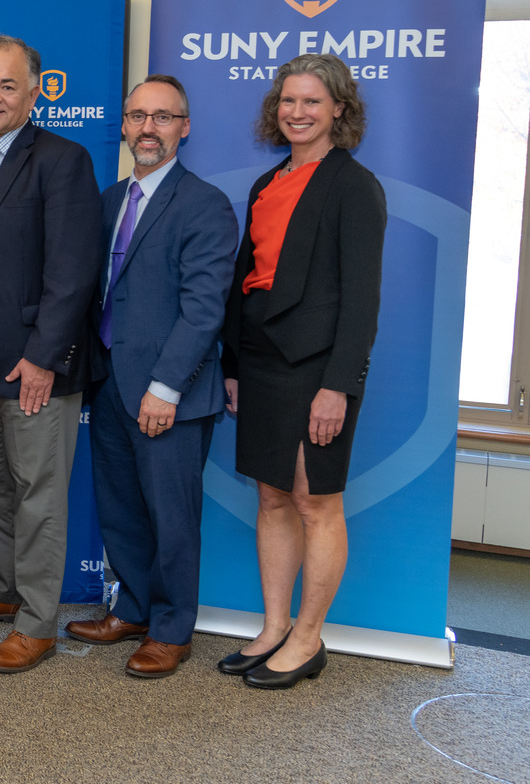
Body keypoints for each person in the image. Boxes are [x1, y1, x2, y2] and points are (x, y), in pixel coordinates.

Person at [0, 34, 103, 673]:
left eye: (9, 85)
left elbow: (73, 269)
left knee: (38, 489)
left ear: (36, 92)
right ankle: (4, 589)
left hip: (34, 357)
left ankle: (37, 623)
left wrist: (44, 356)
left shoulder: (62, 159)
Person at [218, 54, 385, 689]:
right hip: (260, 362)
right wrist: (233, 363)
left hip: (317, 368)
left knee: (317, 502)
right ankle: (274, 626)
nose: (298, 112)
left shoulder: (353, 185)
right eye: (289, 101)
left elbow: (362, 298)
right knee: (270, 496)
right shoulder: (266, 184)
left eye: (312, 102)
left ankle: (309, 639)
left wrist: (338, 385)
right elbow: (245, 277)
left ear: (339, 108)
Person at [63, 75, 237, 678]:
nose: (147, 128)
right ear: (124, 125)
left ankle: (170, 627)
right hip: (108, 380)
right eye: (137, 116)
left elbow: (204, 308)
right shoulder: (110, 200)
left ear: (184, 127)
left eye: (162, 118)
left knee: (170, 513)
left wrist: (165, 388)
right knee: (120, 507)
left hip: (170, 391)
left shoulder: (204, 204)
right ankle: (132, 608)